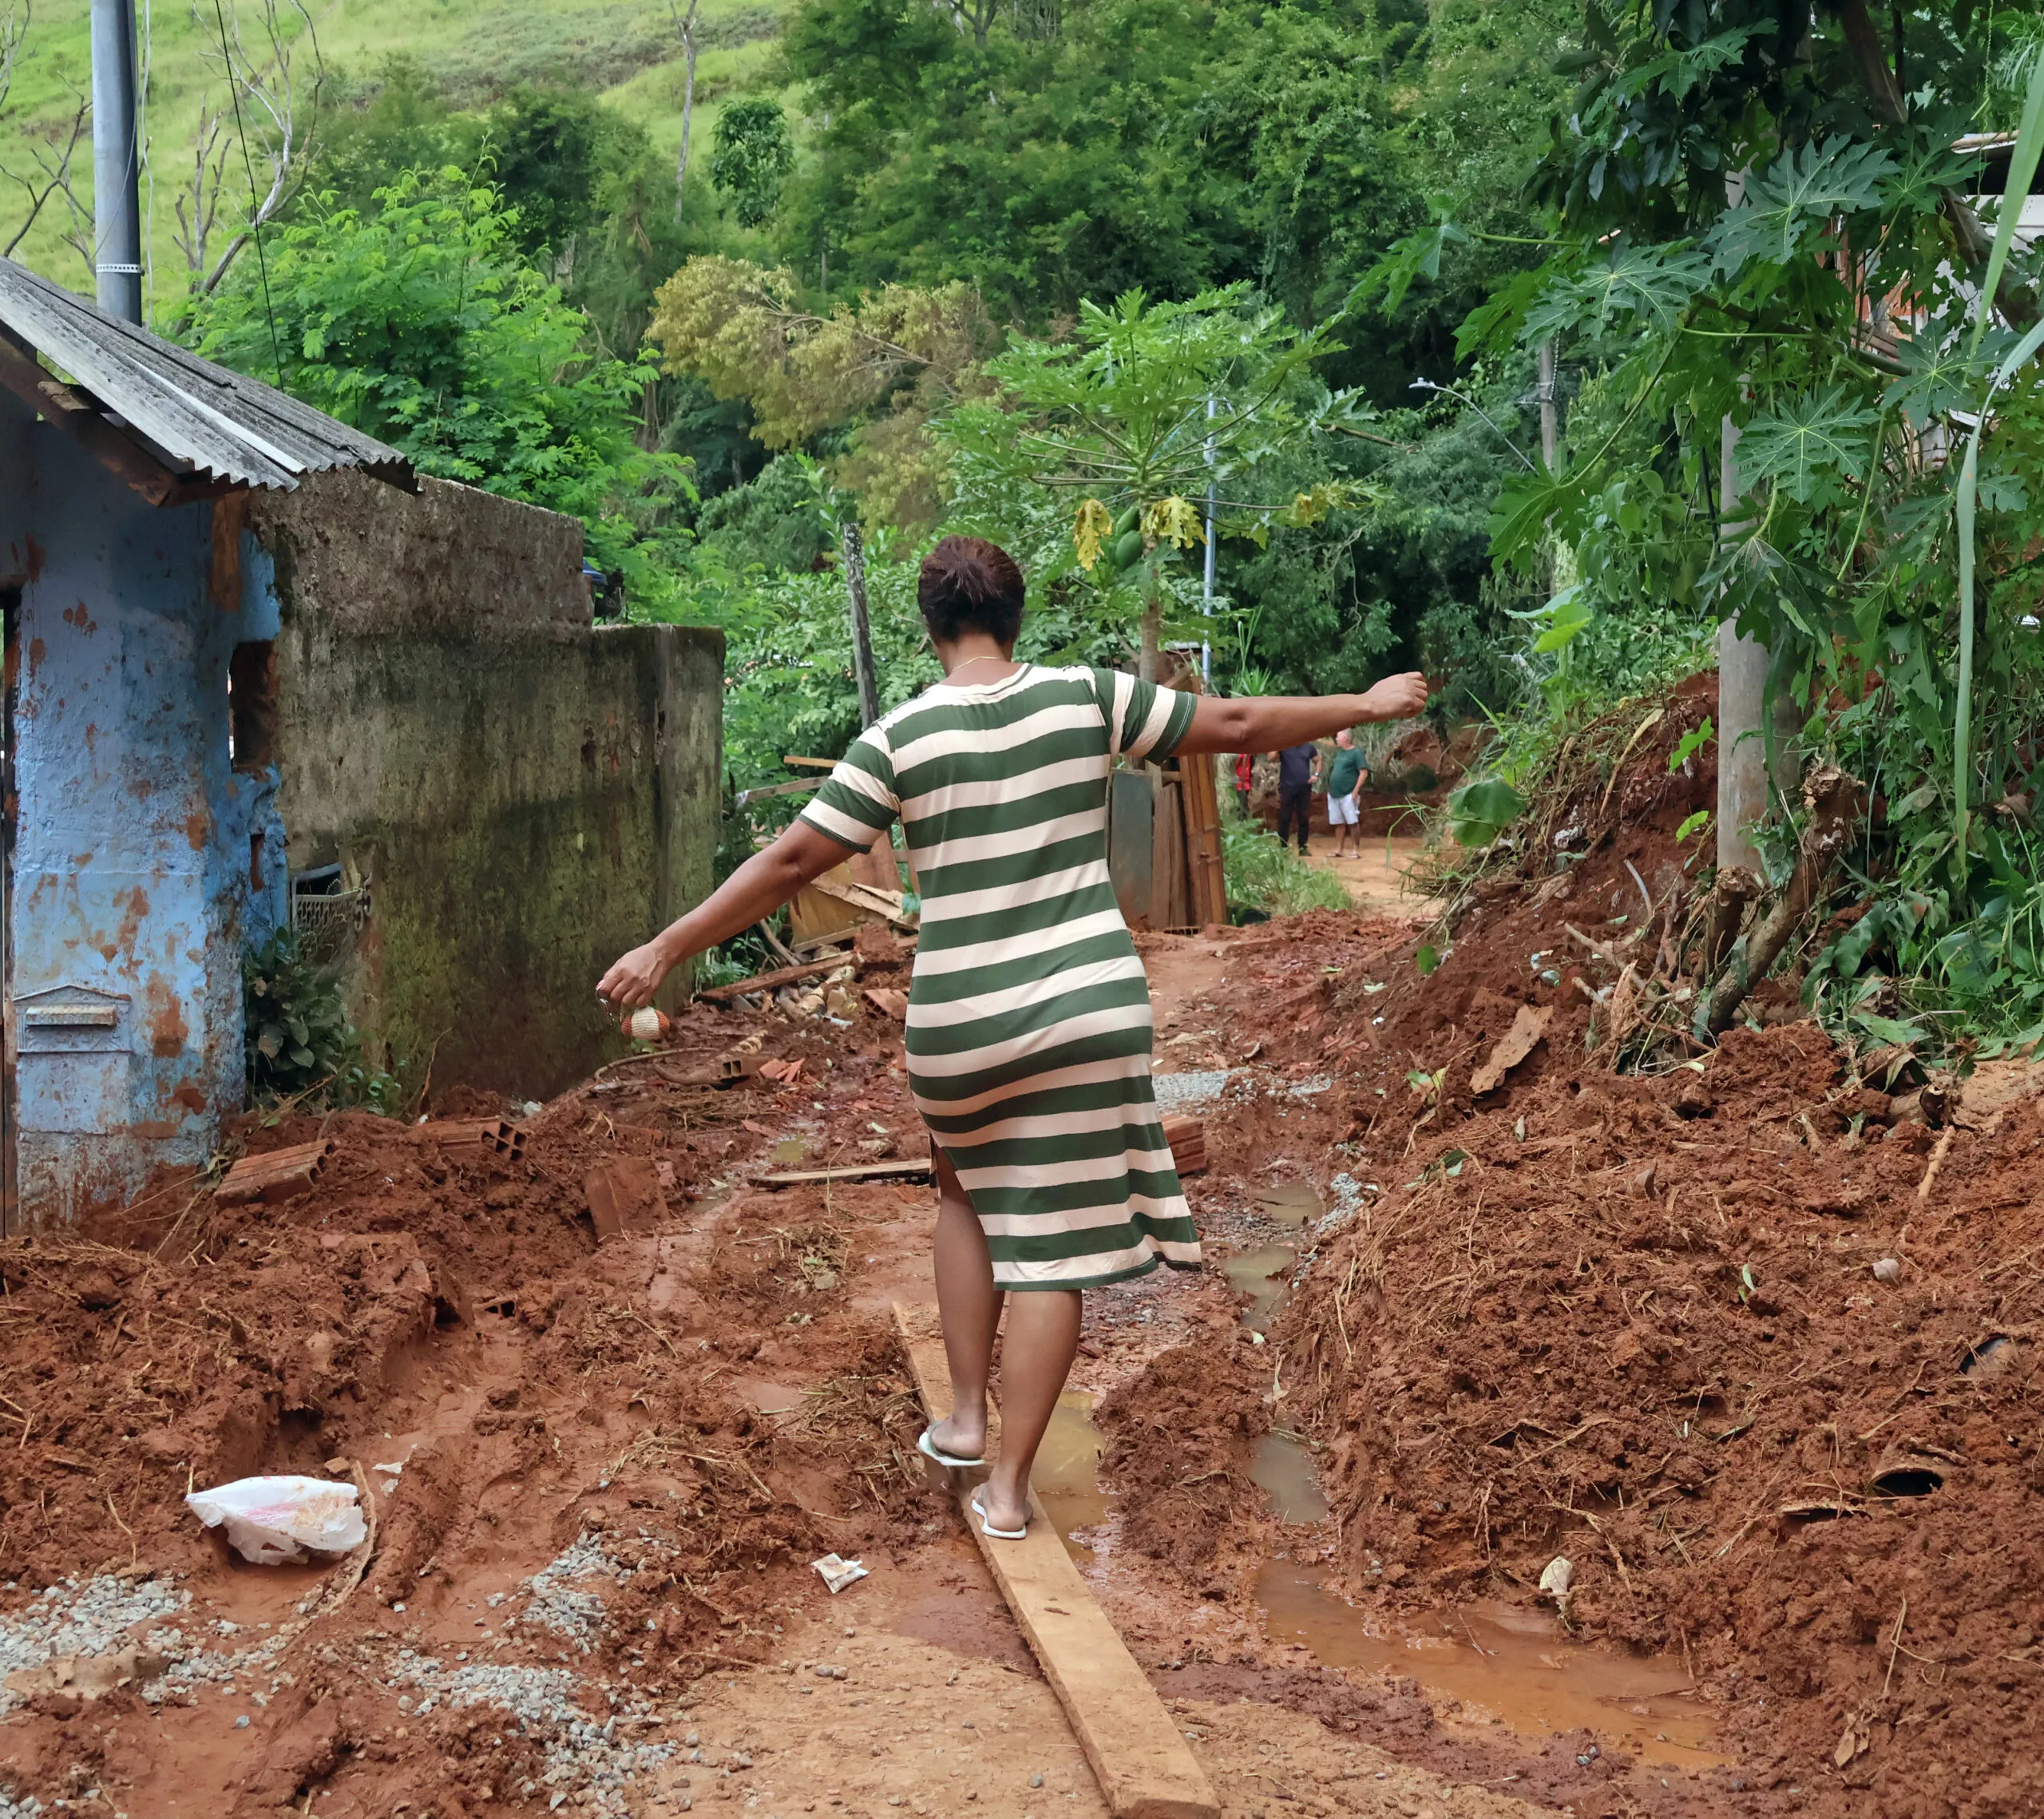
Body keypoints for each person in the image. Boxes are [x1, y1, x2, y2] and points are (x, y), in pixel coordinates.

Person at [596, 537, 1428, 1540]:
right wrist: (1365, 706)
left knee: (960, 1188)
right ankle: (1009, 1491)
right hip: (1086, 1008)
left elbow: (790, 859)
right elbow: (1238, 722)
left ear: (927, 626)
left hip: (961, 1019)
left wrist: (667, 945)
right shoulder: (1088, 698)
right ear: (1017, 614)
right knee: (1049, 1254)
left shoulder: (898, 737)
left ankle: (960, 1419)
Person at [1325, 727, 1368, 858]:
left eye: (1338, 736)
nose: (1336, 739)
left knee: (1352, 821)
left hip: (1348, 793)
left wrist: (1355, 791)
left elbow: (1363, 773)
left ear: (1345, 738)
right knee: (1338, 822)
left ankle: (1356, 849)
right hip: (1334, 793)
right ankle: (1339, 849)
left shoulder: (1356, 753)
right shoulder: (1340, 753)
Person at [1275, 737, 1318, 855]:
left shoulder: (1308, 747)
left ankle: (1303, 847)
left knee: (1303, 817)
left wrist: (1316, 774)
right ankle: (1283, 846)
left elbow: (1318, 760)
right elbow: (1271, 758)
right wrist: (1276, 746)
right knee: (1285, 817)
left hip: (1304, 788)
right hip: (1287, 787)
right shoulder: (1285, 746)